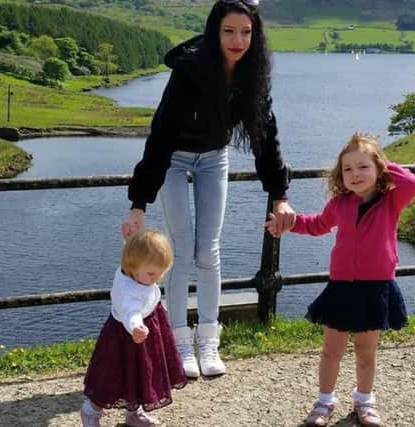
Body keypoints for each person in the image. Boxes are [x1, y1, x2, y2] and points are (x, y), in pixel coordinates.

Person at [121, 0, 295, 379]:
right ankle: (180, 342)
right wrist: (139, 203)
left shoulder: (252, 73)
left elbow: (265, 136)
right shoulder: (190, 71)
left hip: (214, 158)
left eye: (246, 32)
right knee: (181, 253)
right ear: (215, 31)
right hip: (175, 159)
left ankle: (209, 340)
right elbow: (161, 133)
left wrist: (280, 194)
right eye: (229, 31)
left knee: (209, 250)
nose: (238, 40)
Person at [265, 132, 415, 427]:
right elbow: (319, 225)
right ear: (340, 175)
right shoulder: (340, 203)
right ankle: (324, 401)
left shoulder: (391, 201)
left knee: (366, 350)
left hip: (376, 287)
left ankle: (364, 400)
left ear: (379, 169)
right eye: (347, 169)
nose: (355, 174)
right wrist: (291, 223)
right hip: (341, 287)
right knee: (331, 349)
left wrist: (384, 162)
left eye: (363, 167)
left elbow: (411, 183)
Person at [80, 229, 187, 427]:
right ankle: (91, 411)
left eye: (162, 272)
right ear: (132, 265)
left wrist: (131, 236)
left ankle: (134, 411)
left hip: (146, 331)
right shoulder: (128, 290)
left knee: (141, 373)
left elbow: (133, 250)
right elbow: (131, 311)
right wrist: (136, 326)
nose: (157, 278)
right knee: (111, 377)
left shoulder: (135, 270)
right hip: (126, 337)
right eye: (152, 273)